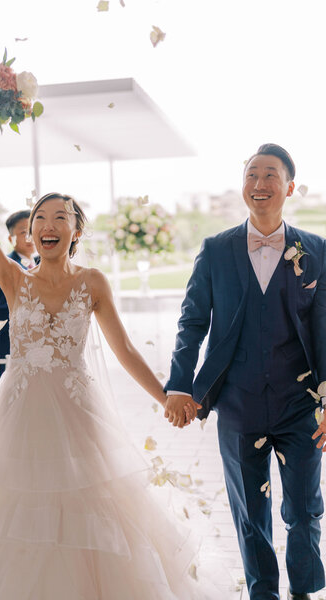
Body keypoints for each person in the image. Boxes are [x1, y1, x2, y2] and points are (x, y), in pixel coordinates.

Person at [0, 124, 222, 600]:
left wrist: (167, 396)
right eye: (39, 217)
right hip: (18, 421)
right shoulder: (12, 279)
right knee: (17, 525)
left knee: (96, 522)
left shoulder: (93, 283)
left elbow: (125, 349)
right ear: (31, 232)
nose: (46, 225)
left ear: (75, 229)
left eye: (59, 217)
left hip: (79, 419)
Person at [164, 143, 326, 600]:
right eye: (251, 175)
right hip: (237, 401)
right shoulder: (216, 249)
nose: (259, 184)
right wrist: (179, 384)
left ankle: (305, 589)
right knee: (249, 510)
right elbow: (192, 321)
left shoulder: (315, 251)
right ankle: (263, 594)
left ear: (289, 187)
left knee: (304, 507)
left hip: (301, 404)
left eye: (270, 175)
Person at [0, 209, 36, 370]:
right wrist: (27, 280)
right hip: (11, 344)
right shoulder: (3, 263)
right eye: (23, 232)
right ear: (10, 238)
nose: (30, 237)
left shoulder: (45, 262)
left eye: (33, 231)